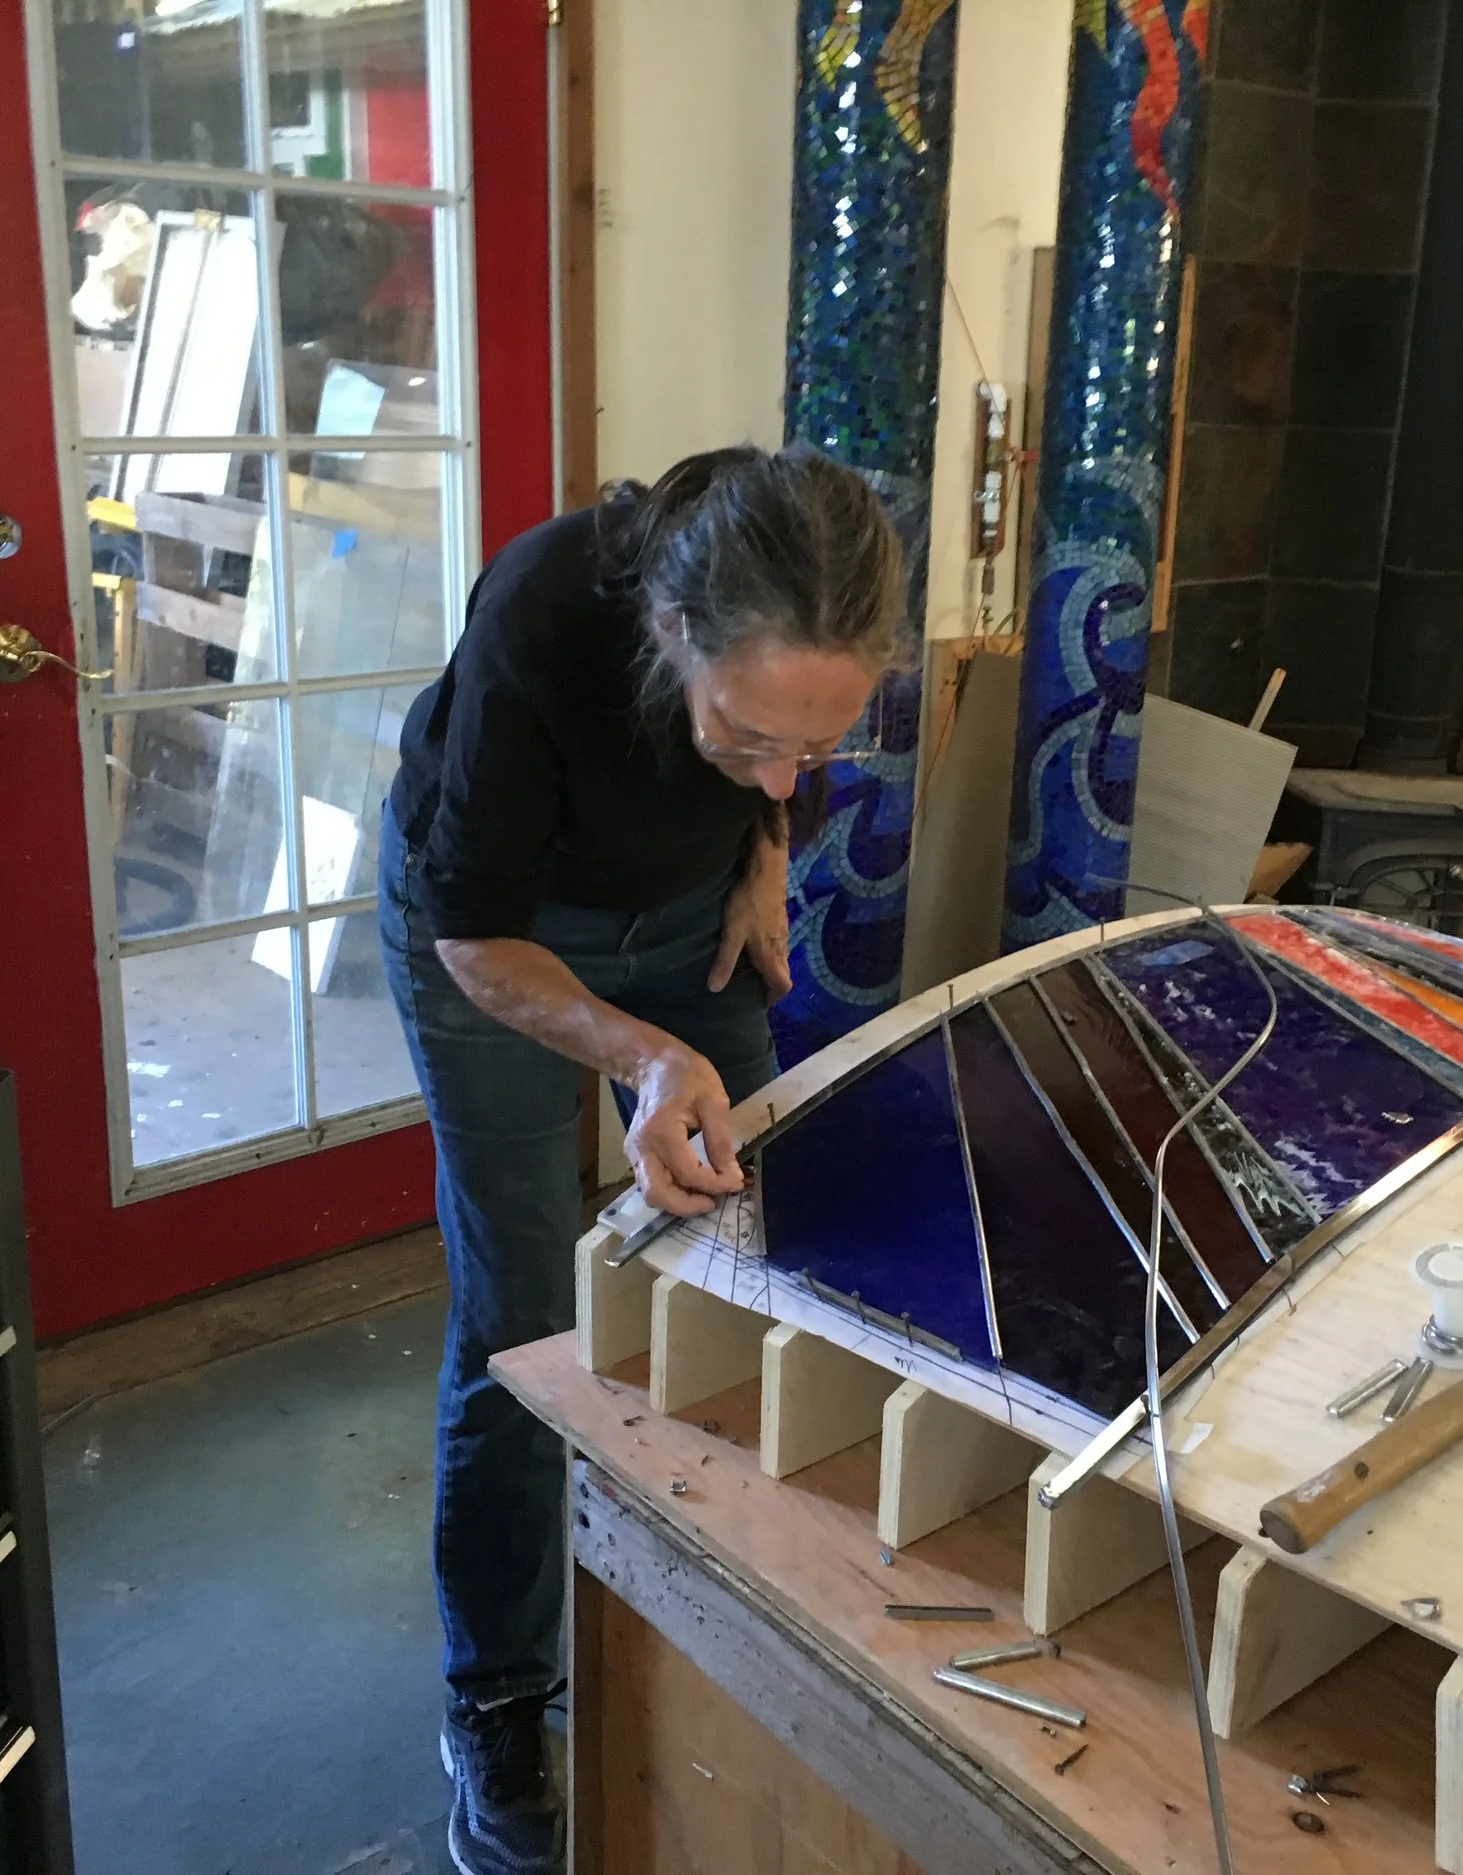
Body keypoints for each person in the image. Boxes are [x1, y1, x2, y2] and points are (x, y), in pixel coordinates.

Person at [379, 444, 905, 1875]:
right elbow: (472, 934)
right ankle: (496, 1697)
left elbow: (781, 747)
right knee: (526, 1323)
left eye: (822, 740)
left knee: (765, 1258)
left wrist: (765, 837)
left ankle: (736, 1638)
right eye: (747, 735)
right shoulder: (545, 612)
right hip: (494, 934)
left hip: (681, 917)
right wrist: (638, 1055)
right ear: (672, 633)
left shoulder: (793, 610)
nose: (787, 766)